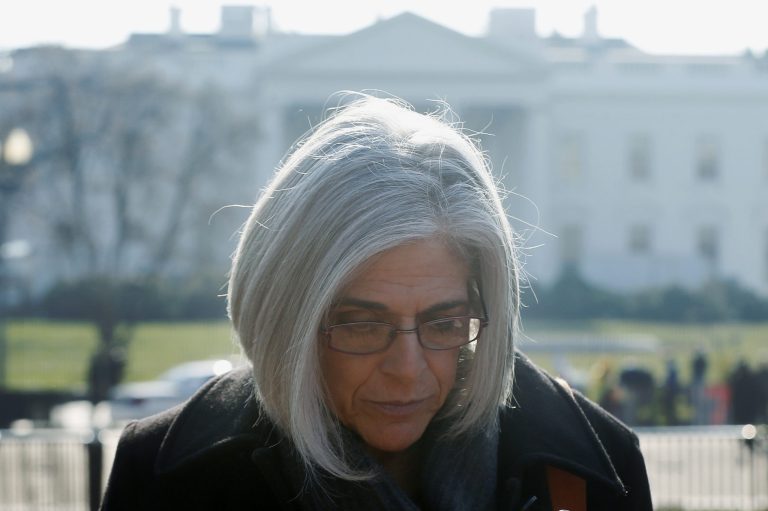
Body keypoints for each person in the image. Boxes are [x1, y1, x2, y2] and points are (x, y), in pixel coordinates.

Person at [101, 94, 652, 510]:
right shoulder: (169, 476)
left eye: (443, 323)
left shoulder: (592, 469)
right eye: (362, 325)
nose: (407, 370)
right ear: (288, 318)